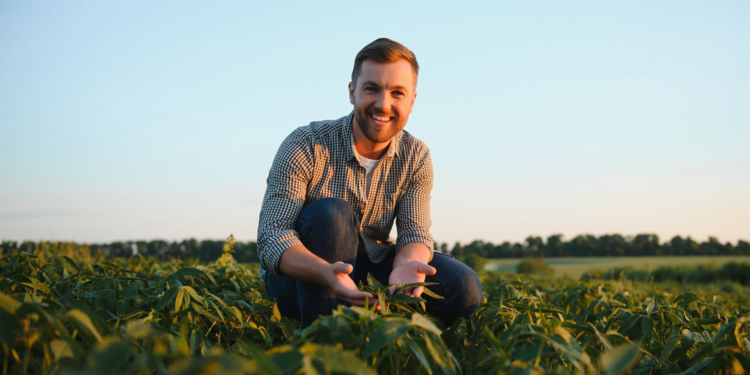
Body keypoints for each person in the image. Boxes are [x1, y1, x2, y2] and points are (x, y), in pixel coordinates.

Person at [257, 38, 482, 329]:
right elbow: (272, 236)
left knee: (462, 287)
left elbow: (415, 232)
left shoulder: (416, 155)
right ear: (353, 92)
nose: (383, 104)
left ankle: (386, 321)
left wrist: (404, 266)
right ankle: (322, 340)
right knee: (332, 215)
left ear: (412, 100)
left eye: (397, 93)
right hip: (301, 276)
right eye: (371, 88)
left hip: (371, 263)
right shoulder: (306, 144)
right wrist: (325, 273)